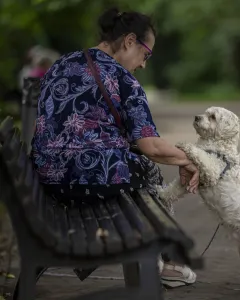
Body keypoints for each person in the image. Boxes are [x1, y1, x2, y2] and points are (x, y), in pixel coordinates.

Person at [30, 7, 199, 288]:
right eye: (146, 54)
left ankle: (165, 259)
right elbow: (152, 146)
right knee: (146, 169)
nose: (144, 64)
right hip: (87, 179)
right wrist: (192, 159)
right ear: (130, 41)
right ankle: (167, 263)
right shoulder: (124, 80)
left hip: (47, 177)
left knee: (134, 164)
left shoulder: (62, 63)